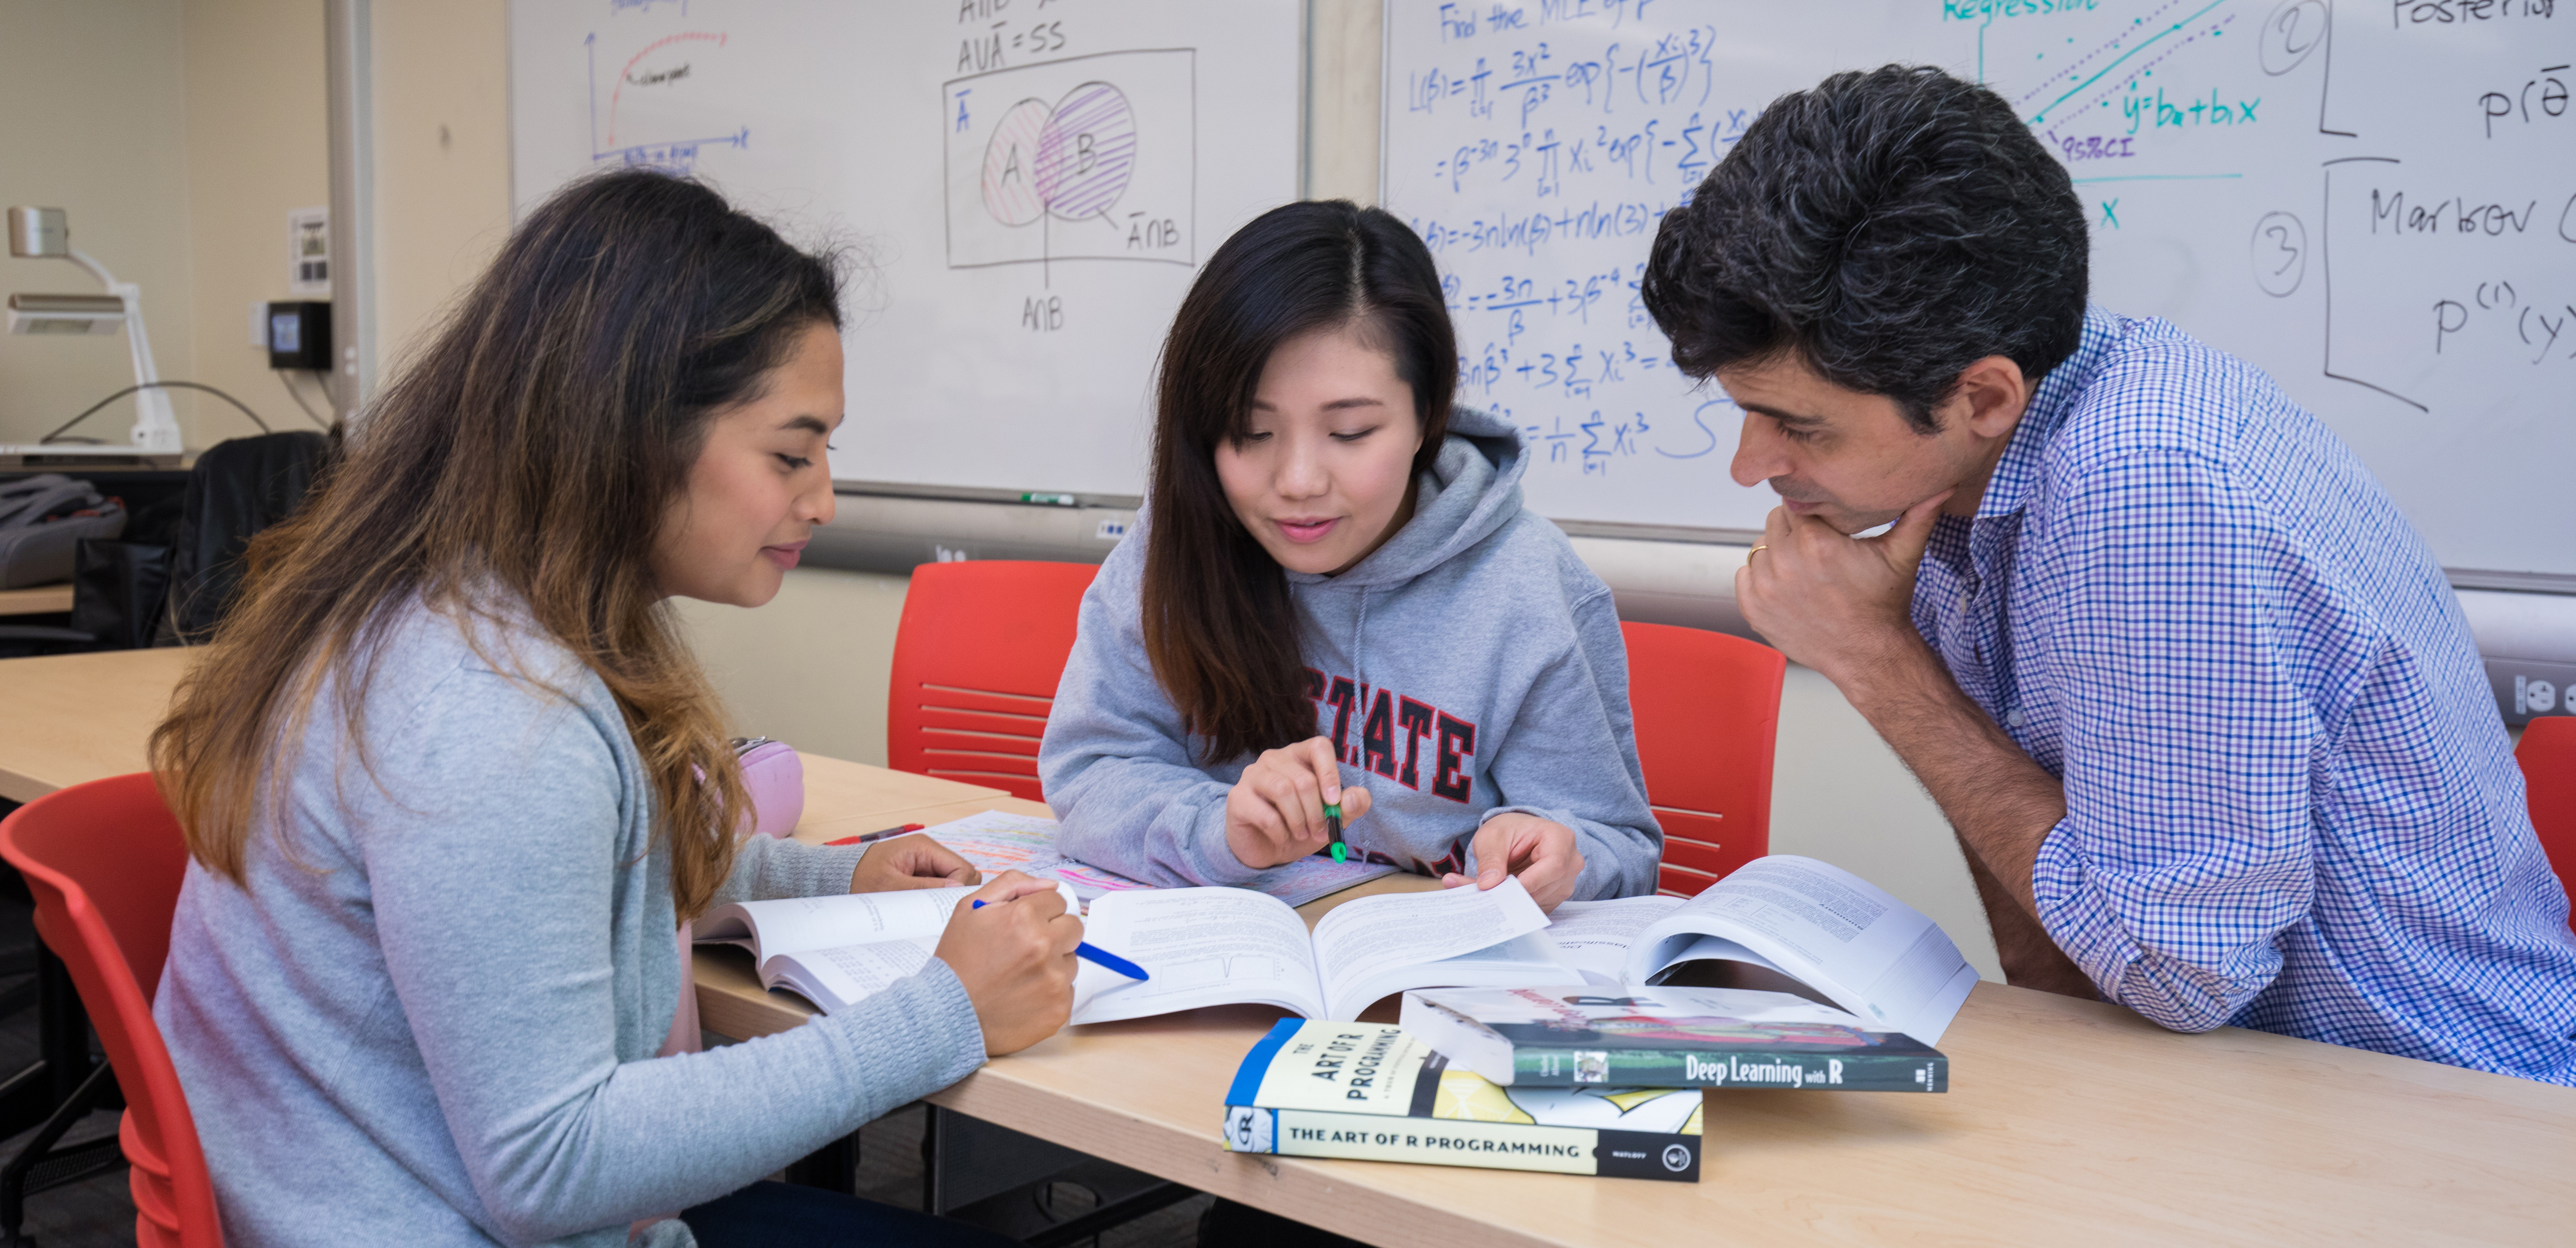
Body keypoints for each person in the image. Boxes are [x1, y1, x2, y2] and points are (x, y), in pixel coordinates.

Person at [148, 169, 1083, 1246]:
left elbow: (541, 885)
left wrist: (827, 874)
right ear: (629, 434)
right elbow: (555, 1163)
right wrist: (943, 1017)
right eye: (791, 453)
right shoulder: (497, 716)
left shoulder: (445, 607)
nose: (822, 498)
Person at [1640, 65, 2576, 1082]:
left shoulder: (2144, 489)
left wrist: (1877, 661)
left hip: (2460, 1113)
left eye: (1798, 426)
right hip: (2258, 1085)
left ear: (1983, 395)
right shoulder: (1975, 487)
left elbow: (2178, 976)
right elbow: (2071, 967)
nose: (1752, 468)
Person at [1039, 200, 1661, 913]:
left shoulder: (1528, 587)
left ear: (1427, 417)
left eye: (1352, 432)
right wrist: (1221, 831)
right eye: (1250, 431)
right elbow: (1093, 771)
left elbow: (1619, 843)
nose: (1299, 482)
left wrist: (1547, 847)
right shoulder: (1178, 542)